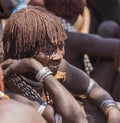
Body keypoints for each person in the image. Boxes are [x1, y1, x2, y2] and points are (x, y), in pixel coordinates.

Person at [2, 5, 120, 123]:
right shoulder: (12, 93)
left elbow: (91, 87)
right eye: (48, 50)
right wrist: (38, 69)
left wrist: (112, 109)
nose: (58, 56)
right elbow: (76, 119)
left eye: (60, 46)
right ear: (24, 51)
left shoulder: (56, 66)